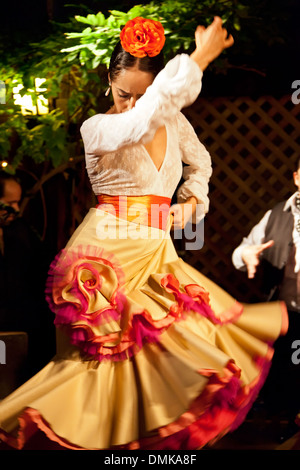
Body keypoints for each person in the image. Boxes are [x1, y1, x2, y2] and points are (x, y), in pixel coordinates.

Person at [0, 16, 287, 451]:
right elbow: (142, 120)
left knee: (172, 356)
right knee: (96, 366)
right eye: (122, 94)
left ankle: (135, 451)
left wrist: (190, 204)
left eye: (141, 94)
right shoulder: (99, 127)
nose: (130, 104)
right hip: (106, 256)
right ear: (108, 87)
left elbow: (201, 163)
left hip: (156, 250)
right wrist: (197, 60)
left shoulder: (173, 122)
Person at [232, 160, 300, 441]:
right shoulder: (276, 214)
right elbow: (242, 250)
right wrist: (246, 255)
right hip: (285, 313)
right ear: (297, 178)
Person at [0, 172, 55, 380]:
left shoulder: (20, 229)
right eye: (9, 203)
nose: (15, 209)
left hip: (23, 324)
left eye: (17, 202)